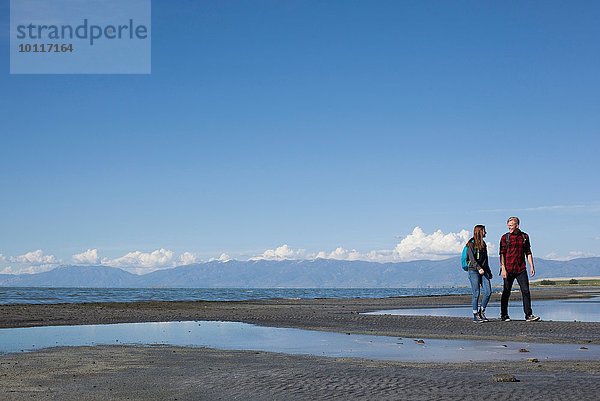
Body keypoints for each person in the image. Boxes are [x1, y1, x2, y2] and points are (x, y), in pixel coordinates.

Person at [499, 216, 540, 322]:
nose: (509, 228)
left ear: (517, 225)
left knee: (526, 291)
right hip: (508, 268)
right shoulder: (505, 237)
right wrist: (502, 268)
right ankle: (504, 314)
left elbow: (528, 252)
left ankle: (528, 315)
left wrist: (532, 266)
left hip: (521, 268)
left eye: (511, 226)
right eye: (508, 226)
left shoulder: (524, 237)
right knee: (506, 292)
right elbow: (502, 254)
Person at [466, 225, 492, 323]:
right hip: (473, 270)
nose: (486, 233)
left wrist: (488, 271)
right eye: (484, 231)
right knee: (476, 293)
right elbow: (472, 259)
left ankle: (482, 311)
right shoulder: (470, 244)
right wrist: (478, 268)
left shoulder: (484, 244)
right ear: (480, 232)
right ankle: (475, 315)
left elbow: (486, 259)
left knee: (488, 292)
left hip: (484, 271)